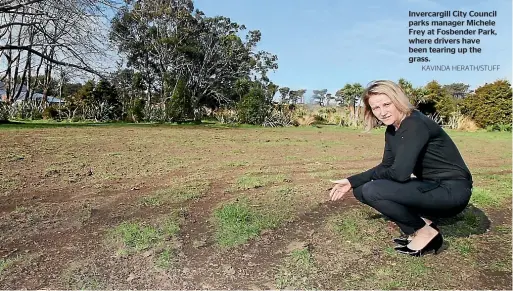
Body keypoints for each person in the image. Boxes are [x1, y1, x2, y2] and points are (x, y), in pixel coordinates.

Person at [329, 80, 473, 257]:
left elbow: (399, 174)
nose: (382, 112)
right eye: (375, 108)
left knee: (372, 189)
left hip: (452, 192)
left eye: (386, 104)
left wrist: (375, 177)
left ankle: (425, 232)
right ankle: (424, 224)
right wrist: (352, 181)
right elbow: (387, 166)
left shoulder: (415, 124)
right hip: (429, 186)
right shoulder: (392, 130)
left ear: (398, 100)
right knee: (360, 190)